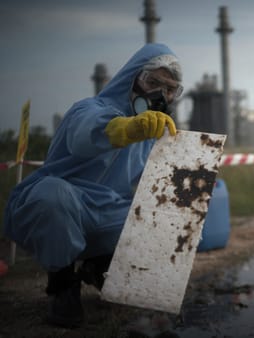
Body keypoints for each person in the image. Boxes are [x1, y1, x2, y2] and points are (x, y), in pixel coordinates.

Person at [3, 43, 182, 327]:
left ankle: (100, 265)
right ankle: (62, 285)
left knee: (158, 218)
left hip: (107, 210)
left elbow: (152, 185)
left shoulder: (151, 134)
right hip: (67, 206)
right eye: (153, 82)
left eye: (170, 89)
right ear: (132, 78)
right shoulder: (89, 109)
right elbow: (85, 133)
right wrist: (125, 128)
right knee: (52, 195)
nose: (161, 94)